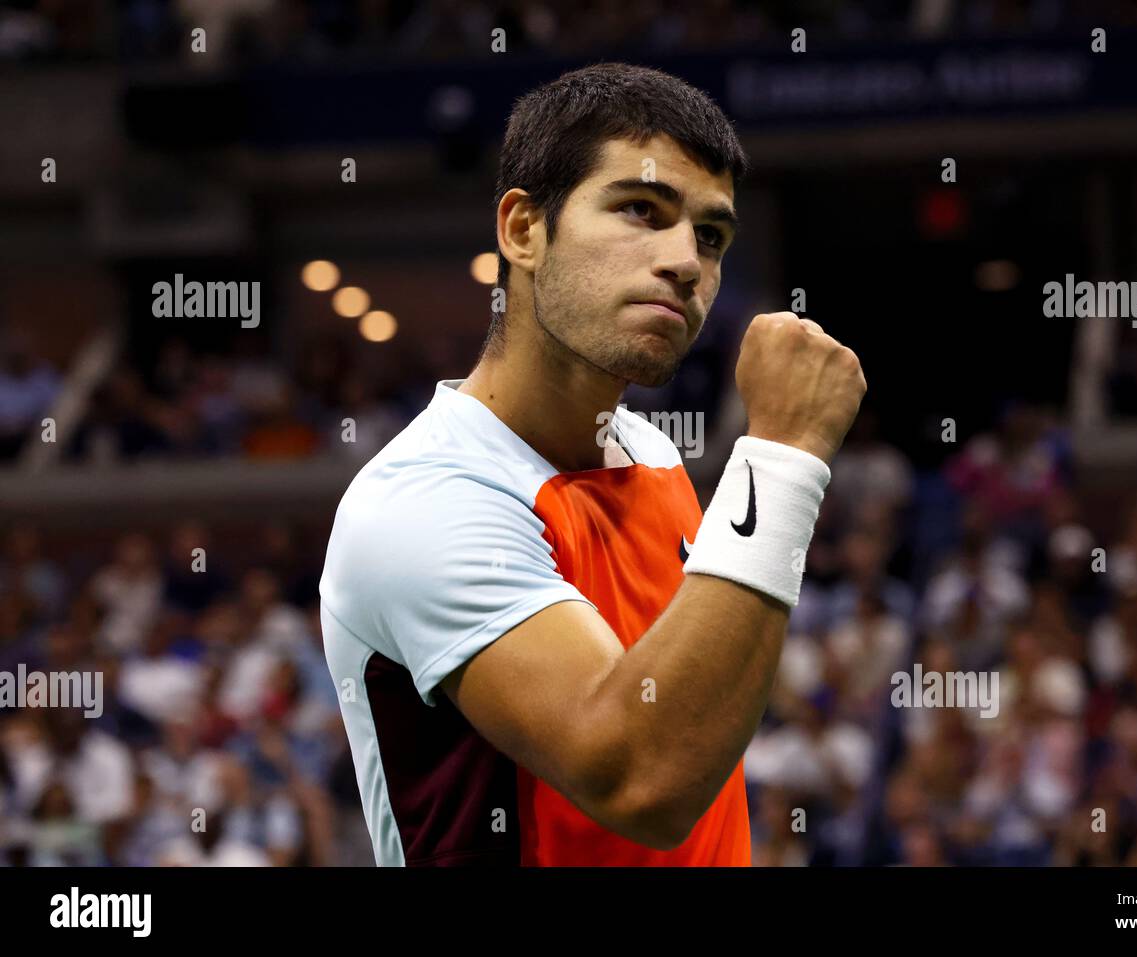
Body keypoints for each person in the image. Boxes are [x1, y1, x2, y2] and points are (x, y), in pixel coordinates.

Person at [318, 62, 866, 866]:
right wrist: (783, 457)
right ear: (522, 230)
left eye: (710, 237)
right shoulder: (422, 503)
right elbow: (640, 779)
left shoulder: (649, 452)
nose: (687, 261)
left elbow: (699, 712)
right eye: (642, 209)